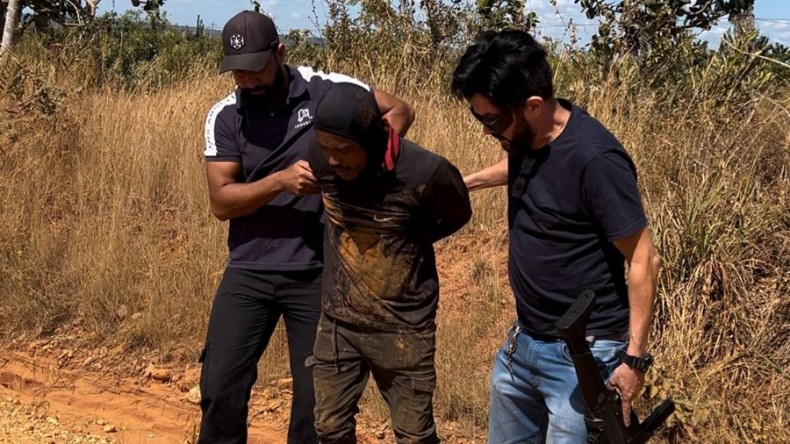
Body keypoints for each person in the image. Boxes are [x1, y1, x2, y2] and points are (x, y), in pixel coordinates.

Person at [199, 10, 414, 444]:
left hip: (319, 271)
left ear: (280, 53)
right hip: (249, 268)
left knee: (316, 406)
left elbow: (399, 110)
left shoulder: (324, 90)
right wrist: (280, 182)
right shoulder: (225, 115)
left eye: (256, 68)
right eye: (238, 72)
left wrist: (361, 166)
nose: (248, 81)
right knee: (219, 388)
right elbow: (221, 202)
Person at [451, 30, 661, 443]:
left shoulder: (596, 160)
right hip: (523, 343)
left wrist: (634, 360)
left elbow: (644, 258)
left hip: (583, 356)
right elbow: (530, 168)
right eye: (479, 118)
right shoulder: (529, 138)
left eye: (492, 120)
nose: (486, 131)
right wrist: (466, 183)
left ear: (533, 105)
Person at [305, 83, 472, 444]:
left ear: (370, 139)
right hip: (338, 322)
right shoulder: (320, 157)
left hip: (403, 328)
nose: (332, 160)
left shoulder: (425, 172)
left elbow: (458, 213)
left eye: (343, 150)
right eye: (325, 148)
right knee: (329, 429)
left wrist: (408, 240)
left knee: (414, 436)